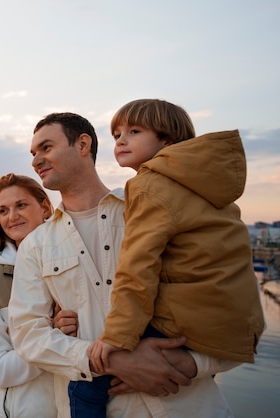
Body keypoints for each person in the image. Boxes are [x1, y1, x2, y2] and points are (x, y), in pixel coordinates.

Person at [9, 112, 240, 418]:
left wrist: (189, 364)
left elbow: (236, 313)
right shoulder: (35, 246)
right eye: (33, 153)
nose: (36, 160)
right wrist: (111, 361)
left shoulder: (157, 212)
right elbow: (28, 335)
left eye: (46, 147)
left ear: (82, 144)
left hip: (190, 406)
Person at [81, 99, 265, 416]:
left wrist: (116, 338)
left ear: (166, 139)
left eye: (134, 131)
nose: (121, 140)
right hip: (228, 319)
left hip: (183, 321)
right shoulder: (208, 189)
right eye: (116, 134)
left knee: (84, 385)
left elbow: (137, 269)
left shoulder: (149, 185)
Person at [0, 173, 79, 418]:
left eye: (21, 205)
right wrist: (51, 336)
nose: (12, 216)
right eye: (3, 210)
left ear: (44, 207)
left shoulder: (74, 261)